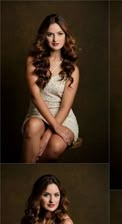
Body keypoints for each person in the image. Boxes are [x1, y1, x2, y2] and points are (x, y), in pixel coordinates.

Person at [22, 14, 79, 163]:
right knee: (32, 127)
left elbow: (66, 107)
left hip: (63, 117)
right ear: (44, 37)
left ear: (66, 36)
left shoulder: (72, 69)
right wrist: (54, 127)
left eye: (60, 34)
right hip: (38, 113)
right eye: (50, 34)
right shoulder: (32, 60)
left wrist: (50, 132)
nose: (55, 39)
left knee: (54, 146)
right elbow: (35, 96)